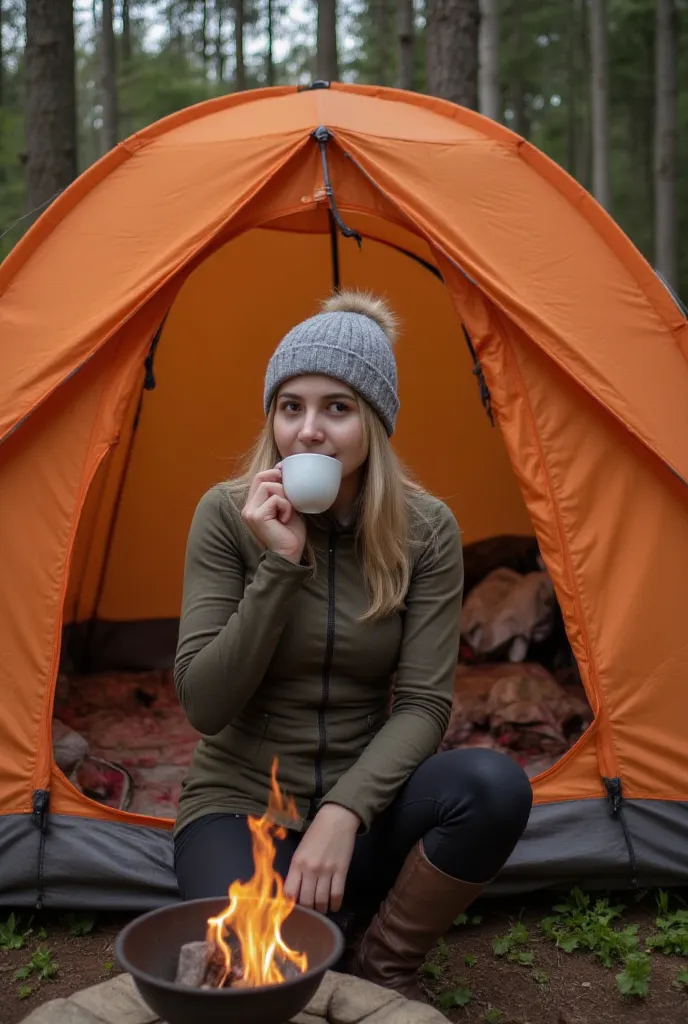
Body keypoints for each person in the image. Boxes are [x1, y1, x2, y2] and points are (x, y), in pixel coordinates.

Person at [173, 290, 533, 999]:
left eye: (337, 407)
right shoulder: (225, 514)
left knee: (493, 787)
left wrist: (345, 811)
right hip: (241, 805)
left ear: (374, 421)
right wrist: (278, 565)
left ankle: (381, 967)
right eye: (291, 406)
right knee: (257, 977)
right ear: (272, 418)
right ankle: (311, 933)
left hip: (365, 814)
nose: (309, 431)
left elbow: (425, 704)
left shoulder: (426, 531)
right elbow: (203, 704)